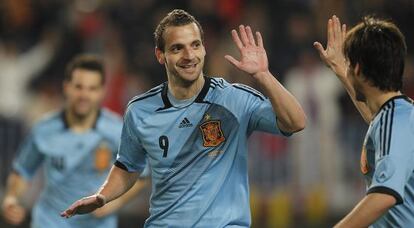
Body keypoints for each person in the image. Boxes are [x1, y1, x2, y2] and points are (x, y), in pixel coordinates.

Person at [61, 9, 306, 227]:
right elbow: (127, 166)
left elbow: (296, 122)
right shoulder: (140, 110)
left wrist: (264, 75)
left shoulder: (234, 100)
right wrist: (102, 196)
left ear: (204, 47)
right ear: (160, 55)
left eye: (195, 45)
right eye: (177, 48)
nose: (189, 55)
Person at [1, 54, 147, 228]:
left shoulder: (117, 130)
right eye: (79, 87)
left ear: (102, 92)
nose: (84, 95)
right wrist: (11, 198)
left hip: (98, 224)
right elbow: (22, 171)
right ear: (66, 87)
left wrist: (115, 202)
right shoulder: (44, 129)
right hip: (50, 221)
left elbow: (141, 175)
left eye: (92, 88)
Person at [314, 15, 413, 227]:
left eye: (350, 65)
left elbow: (385, 194)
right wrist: (340, 68)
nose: (348, 70)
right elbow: (374, 118)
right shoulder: (397, 116)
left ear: (358, 69)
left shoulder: (394, 121)